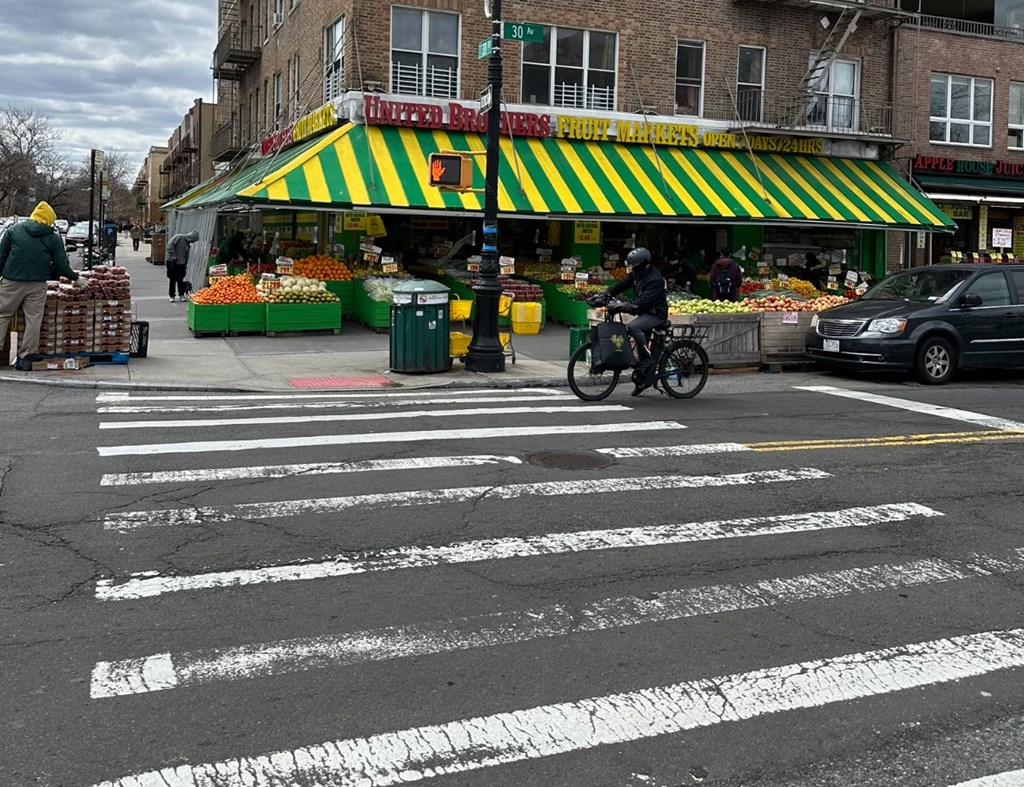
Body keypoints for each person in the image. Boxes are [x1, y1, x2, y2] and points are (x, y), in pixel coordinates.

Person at [0, 201, 90, 369]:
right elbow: (61, 265)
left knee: (2, 315)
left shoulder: (13, 230)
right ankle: (26, 358)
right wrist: (76, 279)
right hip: (37, 283)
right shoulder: (53, 237)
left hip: (11, 281)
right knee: (33, 320)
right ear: (49, 219)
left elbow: (1, 255)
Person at [598, 246, 669, 396]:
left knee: (633, 327)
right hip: (645, 313)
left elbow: (643, 303)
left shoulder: (655, 279)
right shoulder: (638, 273)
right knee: (635, 330)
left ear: (644, 263)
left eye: (635, 265)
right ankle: (644, 376)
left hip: (655, 314)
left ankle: (647, 360)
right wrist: (607, 293)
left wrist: (623, 306)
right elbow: (622, 284)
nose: (633, 268)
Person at [166, 230, 199, 302]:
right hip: (173, 262)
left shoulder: (187, 244)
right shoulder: (179, 237)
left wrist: (185, 264)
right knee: (172, 280)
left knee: (180, 280)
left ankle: (181, 294)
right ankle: (172, 295)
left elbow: (186, 256)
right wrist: (173, 255)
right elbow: (169, 245)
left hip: (181, 264)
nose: (193, 242)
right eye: (193, 240)